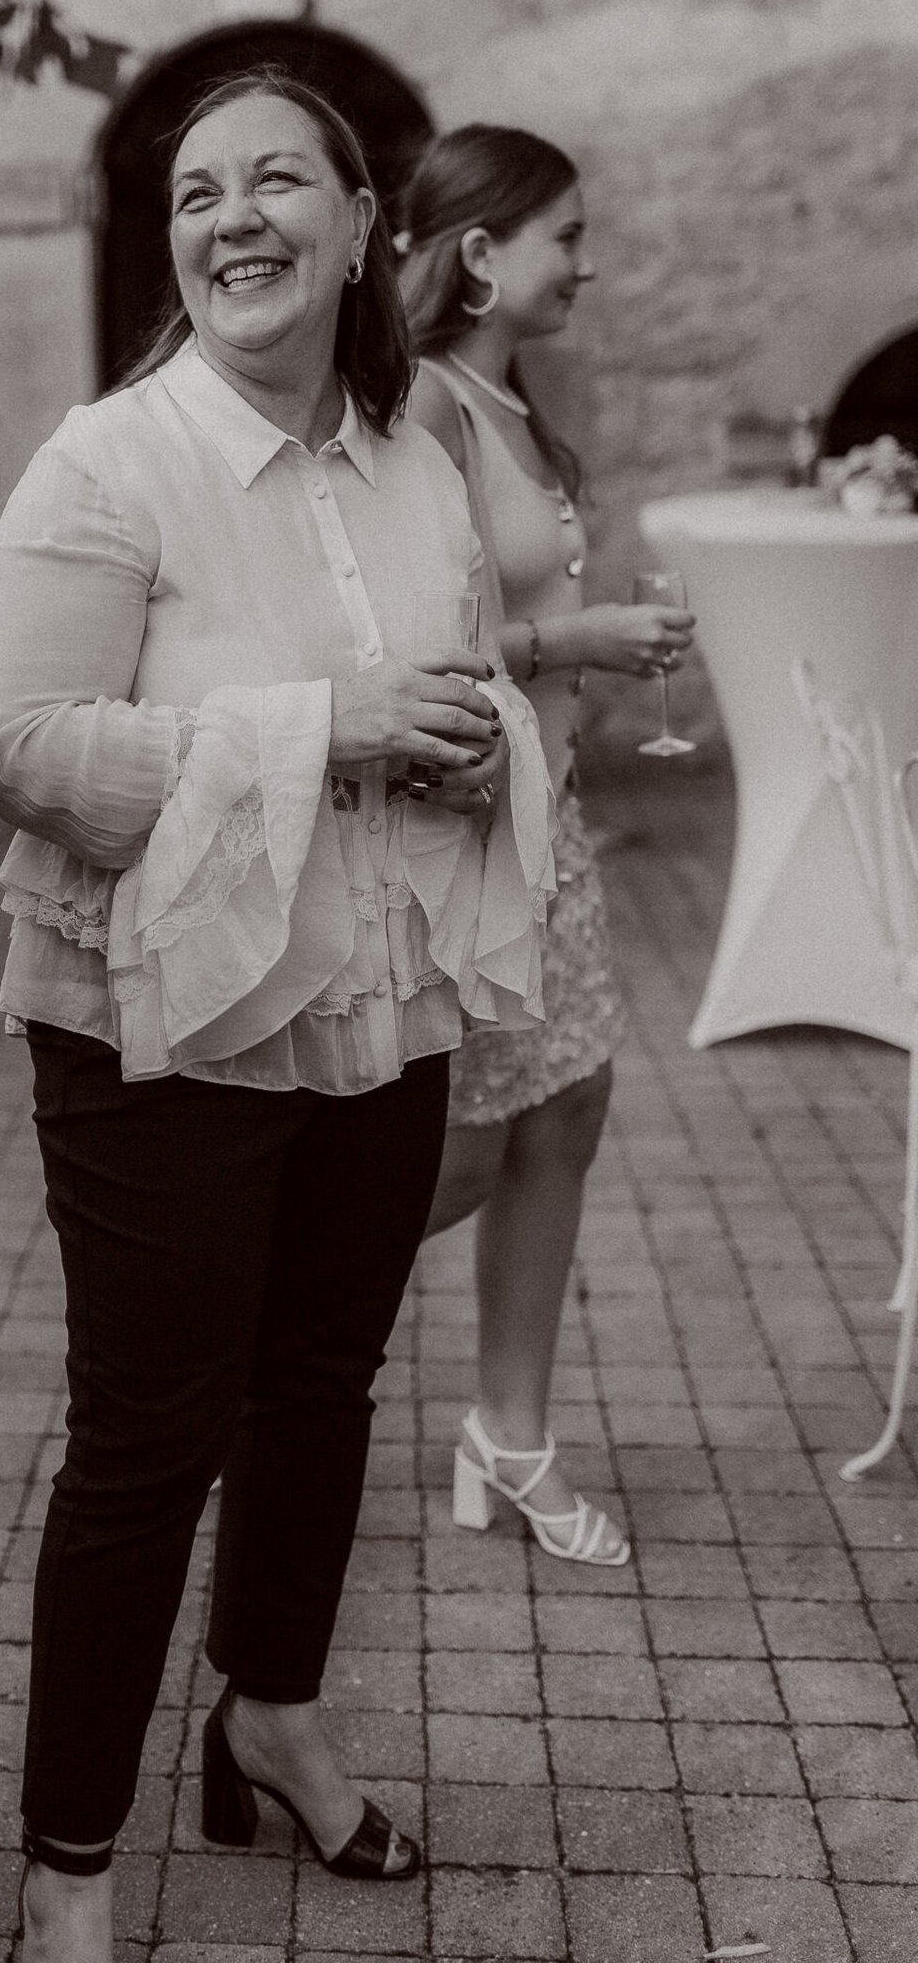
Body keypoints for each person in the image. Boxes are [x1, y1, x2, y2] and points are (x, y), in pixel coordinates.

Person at [0, 68, 558, 1963]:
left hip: (374, 1003)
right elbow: (34, 754)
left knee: (320, 1388)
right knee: (147, 1444)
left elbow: (461, 677)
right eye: (197, 192)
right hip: (160, 1029)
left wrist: (472, 744)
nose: (233, 218)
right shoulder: (107, 464)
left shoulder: (411, 460)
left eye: (277, 182)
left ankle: (274, 1717)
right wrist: (331, 728)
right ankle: (69, 1867)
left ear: (364, 224)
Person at [397, 124, 695, 1567]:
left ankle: (509, 1436)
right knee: (451, 1154)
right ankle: (245, 1357)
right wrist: (584, 639)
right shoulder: (429, 405)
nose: (587, 264)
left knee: (570, 1108)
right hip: (467, 837)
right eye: (566, 236)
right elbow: (419, 648)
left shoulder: (516, 405)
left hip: (550, 822)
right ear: (479, 250)